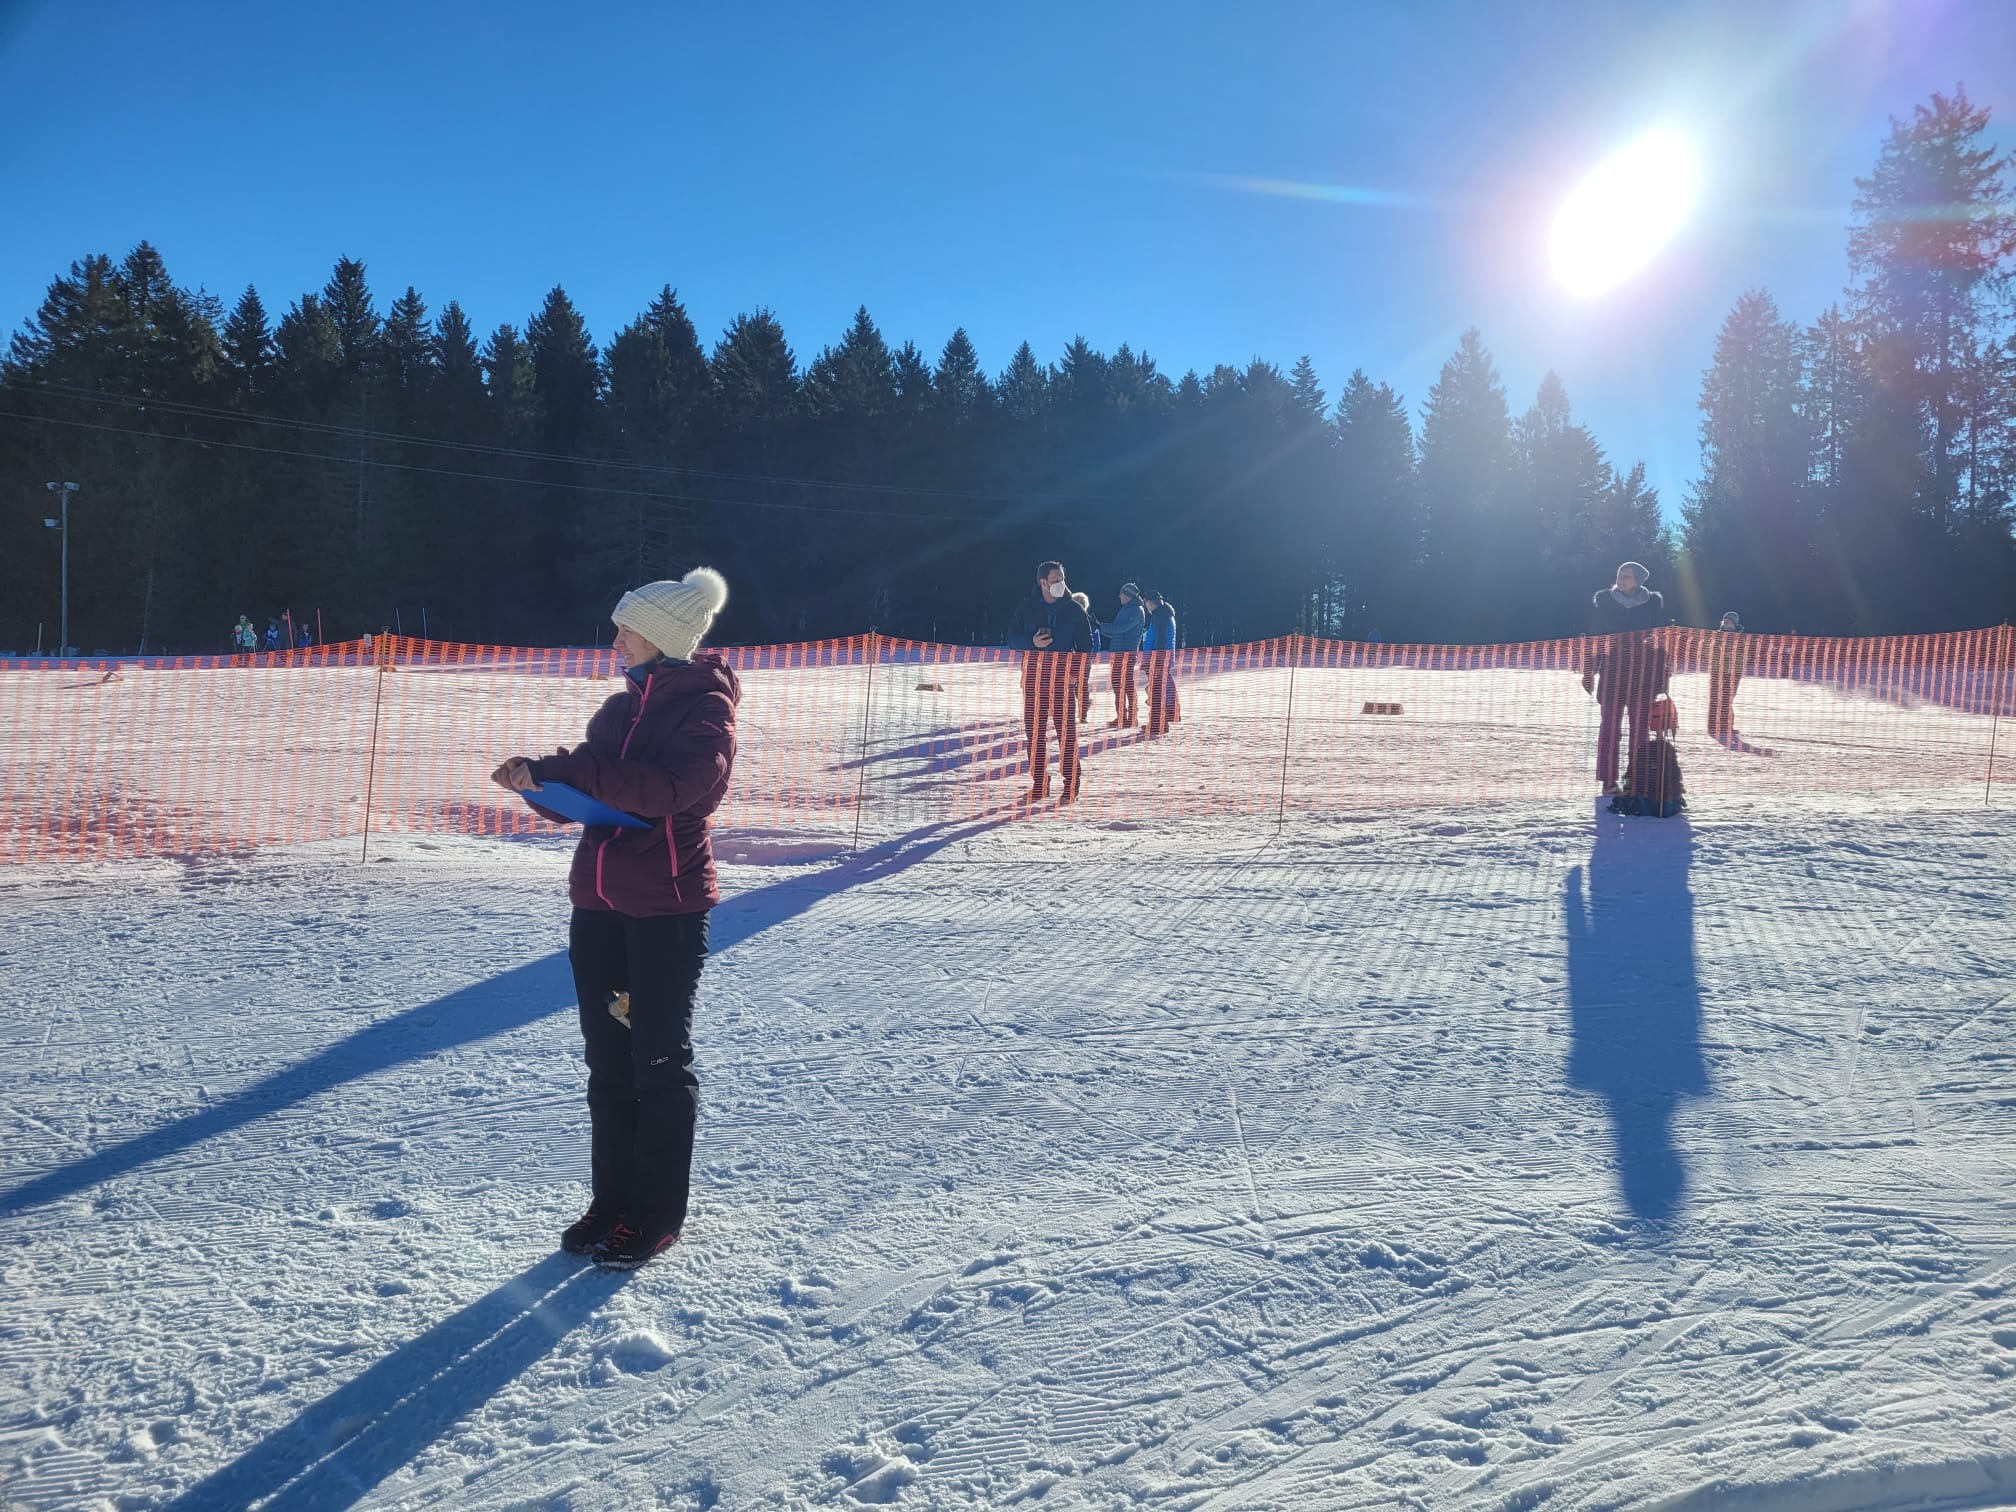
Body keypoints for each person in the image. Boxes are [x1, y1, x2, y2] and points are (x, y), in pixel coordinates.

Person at [491, 566, 737, 1269]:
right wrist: (538, 778)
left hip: (666, 909)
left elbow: (672, 791)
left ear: (660, 635)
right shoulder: (616, 712)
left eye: (626, 628)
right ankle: (612, 1202)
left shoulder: (706, 711)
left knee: (657, 1061)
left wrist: (576, 773)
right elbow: (592, 781)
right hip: (598, 908)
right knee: (608, 1061)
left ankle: (654, 1215)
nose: (615, 639)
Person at [1005, 560, 1094, 802]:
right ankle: (1039, 783)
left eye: (1062, 579)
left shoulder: (1074, 610)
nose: (1061, 584)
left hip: (1062, 682)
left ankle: (1071, 783)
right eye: (1056, 580)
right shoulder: (1026, 608)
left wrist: (1076, 674)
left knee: (1067, 734)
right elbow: (1011, 638)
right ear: (1043, 582)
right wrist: (1031, 642)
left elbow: (1086, 647)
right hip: (1034, 681)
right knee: (1034, 735)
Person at [1581, 561, 1667, 795]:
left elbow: (1660, 641)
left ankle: (1636, 778)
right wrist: (1589, 671)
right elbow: (1595, 639)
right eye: (1620, 575)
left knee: (1639, 731)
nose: (1621, 579)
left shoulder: (1651, 604)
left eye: (1627, 576)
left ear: (1638, 580)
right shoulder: (1605, 603)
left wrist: (1662, 676)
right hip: (1613, 673)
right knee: (1609, 729)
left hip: (1643, 674)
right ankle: (1608, 781)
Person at [1099, 584, 1147, 728]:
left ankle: (1131, 716)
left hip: (1126, 653)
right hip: (1119, 652)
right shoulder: (1126, 609)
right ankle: (1122, 716)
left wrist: (1102, 627)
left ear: (1128, 595)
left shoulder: (1136, 610)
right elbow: (1116, 632)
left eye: (1122, 593)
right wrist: (1100, 627)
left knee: (1126, 683)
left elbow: (1122, 629)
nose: (1119, 596)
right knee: (1118, 683)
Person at [1140, 587, 1182, 737]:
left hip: (1159, 658)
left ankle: (1157, 724)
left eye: (1146, 603)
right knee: (1161, 688)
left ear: (1150, 603)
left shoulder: (1160, 616)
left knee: (1157, 691)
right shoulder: (1164, 614)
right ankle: (1165, 718)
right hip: (1162, 657)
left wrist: (1157, 661)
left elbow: (1161, 640)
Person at [1707, 611, 1745, 741]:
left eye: (1729, 621)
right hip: (1718, 671)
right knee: (1715, 698)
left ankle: (1727, 726)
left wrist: (1734, 656)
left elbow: (1745, 654)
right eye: (1725, 620)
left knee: (1727, 699)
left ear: (1734, 623)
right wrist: (1721, 654)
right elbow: (1710, 651)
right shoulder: (1717, 635)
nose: (1726, 622)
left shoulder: (1740, 637)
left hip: (1734, 672)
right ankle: (1713, 725)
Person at [1070, 591, 1098, 721]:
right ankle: (1083, 711)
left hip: (1081, 657)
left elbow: (1094, 641)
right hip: (1079, 657)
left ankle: (1082, 713)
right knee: (1079, 685)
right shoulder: (1086, 620)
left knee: (1077, 685)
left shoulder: (1087, 620)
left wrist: (1091, 655)